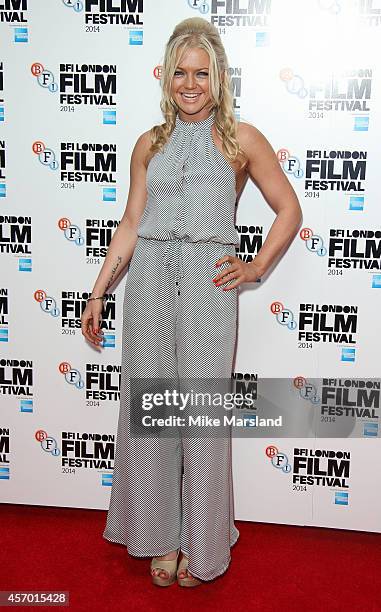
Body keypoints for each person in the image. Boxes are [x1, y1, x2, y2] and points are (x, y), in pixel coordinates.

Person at [81, 17, 302, 588]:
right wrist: (101, 289)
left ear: (219, 77)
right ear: (166, 77)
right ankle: (159, 536)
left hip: (208, 287)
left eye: (201, 73)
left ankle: (201, 542)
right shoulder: (148, 143)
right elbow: (132, 221)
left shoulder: (241, 139)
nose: (190, 83)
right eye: (180, 72)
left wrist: (253, 267)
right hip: (149, 281)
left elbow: (289, 209)